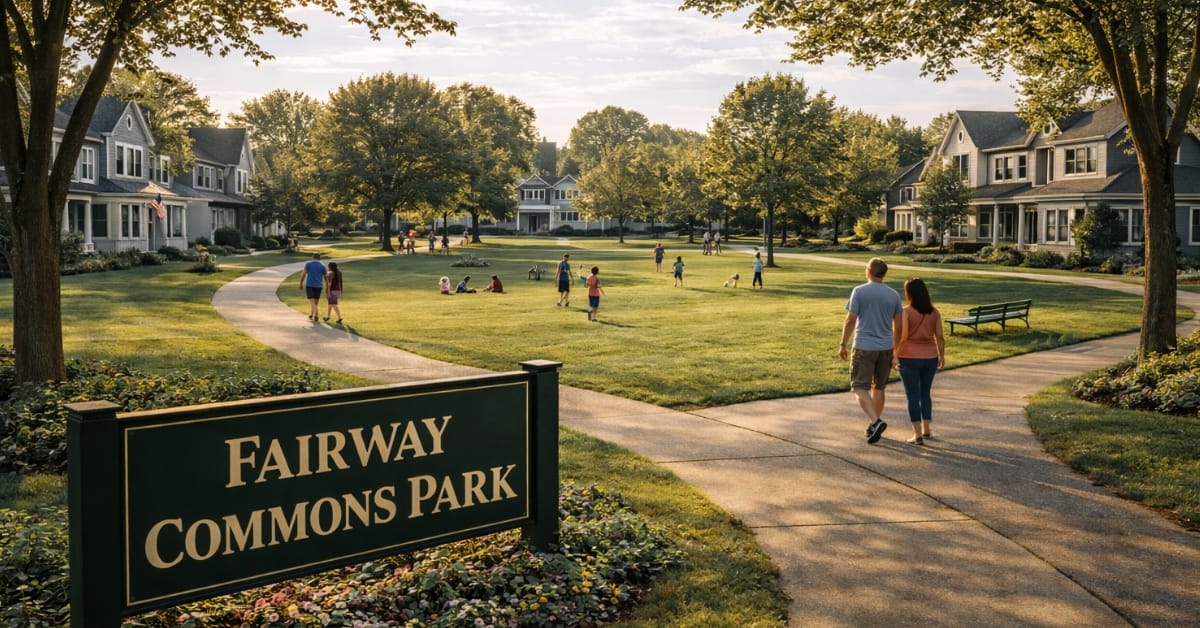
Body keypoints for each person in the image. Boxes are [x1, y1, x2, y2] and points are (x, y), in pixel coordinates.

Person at [838, 257, 904, 444]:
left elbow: (850, 320)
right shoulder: (893, 295)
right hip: (885, 347)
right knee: (879, 387)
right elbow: (898, 327)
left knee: (859, 386)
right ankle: (874, 425)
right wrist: (895, 353)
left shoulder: (859, 291)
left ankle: (876, 421)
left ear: (868, 270)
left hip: (864, 346)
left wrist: (843, 343)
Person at [894, 278, 946, 445]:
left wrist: (894, 354)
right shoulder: (934, 312)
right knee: (925, 394)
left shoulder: (905, 312)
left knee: (912, 395)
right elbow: (939, 337)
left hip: (908, 357)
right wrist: (941, 355)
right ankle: (927, 429)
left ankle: (917, 435)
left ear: (909, 293)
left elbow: (903, 337)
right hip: (930, 357)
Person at [298, 253, 325, 321]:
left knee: (312, 301)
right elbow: (326, 277)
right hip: (319, 286)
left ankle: (317, 314)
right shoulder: (323, 266)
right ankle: (313, 314)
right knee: (315, 301)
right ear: (319, 258)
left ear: (312, 257)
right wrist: (327, 287)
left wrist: (301, 283)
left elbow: (303, 274)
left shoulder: (308, 264)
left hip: (310, 285)